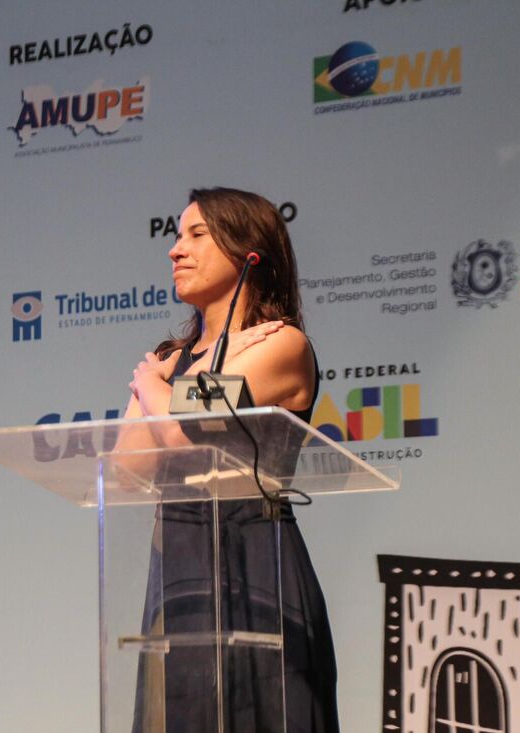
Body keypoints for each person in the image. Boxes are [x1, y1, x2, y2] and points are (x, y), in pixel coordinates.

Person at [123, 187, 339, 732]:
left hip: (259, 566)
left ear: (249, 252)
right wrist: (167, 378)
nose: (176, 249)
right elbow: (128, 465)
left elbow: (182, 436)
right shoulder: (171, 361)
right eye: (177, 235)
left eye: (197, 234)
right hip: (179, 575)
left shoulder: (280, 345)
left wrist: (150, 384)